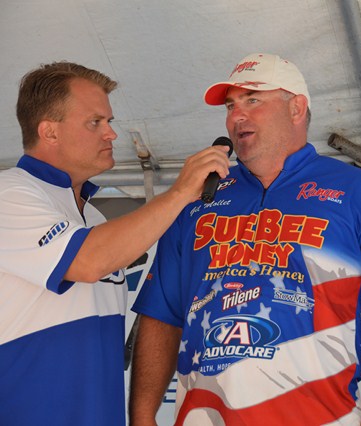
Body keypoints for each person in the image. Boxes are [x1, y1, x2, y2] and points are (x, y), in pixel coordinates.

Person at [129, 53, 361, 425]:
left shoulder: (360, 194)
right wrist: (142, 417)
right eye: (231, 106)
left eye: (252, 100)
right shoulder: (196, 198)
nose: (237, 116)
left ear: (296, 108)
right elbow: (160, 315)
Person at [0, 61, 231, 426]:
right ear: (49, 131)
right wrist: (180, 192)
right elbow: (88, 261)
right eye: (95, 122)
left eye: (109, 121)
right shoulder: (10, 194)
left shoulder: (93, 218)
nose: (111, 134)